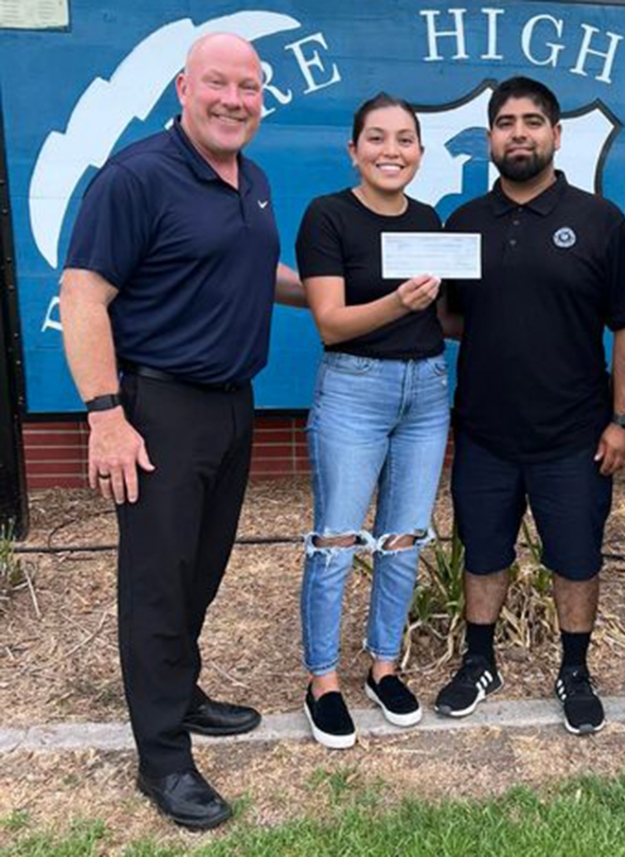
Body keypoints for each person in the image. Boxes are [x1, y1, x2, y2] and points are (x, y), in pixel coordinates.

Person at [59, 33, 304, 829]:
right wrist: (105, 416)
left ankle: (181, 692)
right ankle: (161, 756)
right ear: (182, 88)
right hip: (159, 408)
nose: (236, 100)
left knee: (200, 569)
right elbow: (85, 292)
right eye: (219, 85)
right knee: (158, 582)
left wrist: (341, 298)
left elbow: (244, 269)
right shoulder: (137, 177)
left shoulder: (252, 178)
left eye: (250, 89)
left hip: (234, 405)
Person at [434, 76, 625, 736]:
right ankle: (478, 661)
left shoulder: (599, 221)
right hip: (486, 432)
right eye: (504, 122)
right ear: (490, 138)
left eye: (531, 121)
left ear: (556, 135)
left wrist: (624, 418)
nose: (517, 132)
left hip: (575, 435)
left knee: (577, 557)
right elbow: (451, 317)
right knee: (484, 553)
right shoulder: (463, 223)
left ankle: (574, 669)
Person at [295, 94, 450, 749]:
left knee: (404, 537)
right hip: (355, 387)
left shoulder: (429, 218)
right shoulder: (328, 215)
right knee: (336, 538)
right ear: (353, 150)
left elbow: (441, 316)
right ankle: (322, 681)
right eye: (378, 138)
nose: (392, 150)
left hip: (427, 388)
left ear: (419, 151)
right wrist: (397, 301)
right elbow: (330, 321)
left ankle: (384, 665)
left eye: (406, 139)